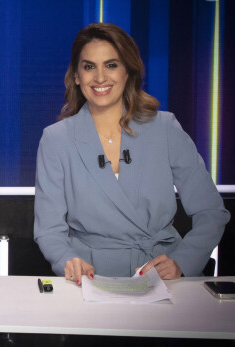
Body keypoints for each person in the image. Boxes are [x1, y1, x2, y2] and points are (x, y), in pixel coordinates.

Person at [33, 22, 230, 284]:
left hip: (162, 276)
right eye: (89, 66)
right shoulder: (55, 140)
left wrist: (183, 261)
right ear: (77, 76)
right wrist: (67, 262)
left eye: (111, 65)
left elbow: (211, 211)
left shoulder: (165, 128)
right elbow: (49, 230)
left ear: (128, 71)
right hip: (91, 278)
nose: (100, 77)